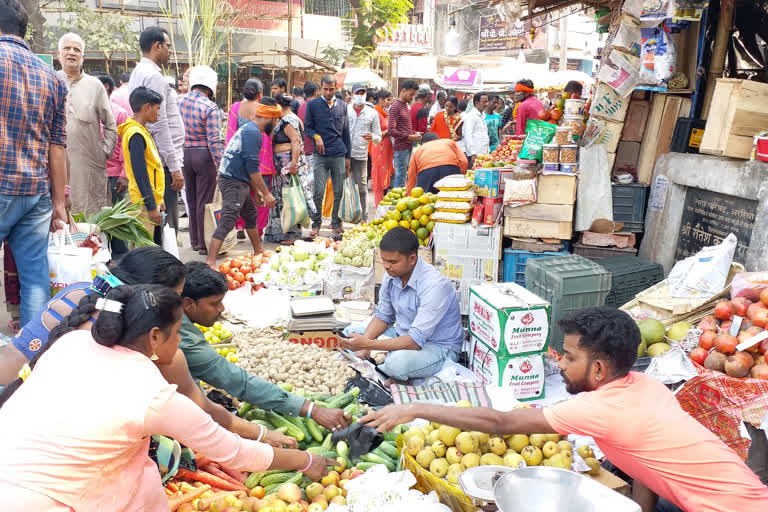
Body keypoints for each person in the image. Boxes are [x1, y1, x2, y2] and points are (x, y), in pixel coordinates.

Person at [360, 307, 768, 512]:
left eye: (567, 357)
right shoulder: (644, 386)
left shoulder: (600, 409)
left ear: (598, 368)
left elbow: (500, 422)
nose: (559, 363)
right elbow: (646, 466)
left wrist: (415, 408)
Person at [0, 284, 333, 509]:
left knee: (142, 471)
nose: (182, 339)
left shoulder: (71, 342)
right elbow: (233, 452)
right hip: (41, 499)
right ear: (156, 336)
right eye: (179, 331)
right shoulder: (154, 395)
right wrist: (307, 461)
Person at [0, 246, 316, 445]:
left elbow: (14, 359)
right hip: (56, 450)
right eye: (174, 299)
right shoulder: (147, 339)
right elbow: (203, 412)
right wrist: (265, 437)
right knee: (168, 455)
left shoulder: (79, 294)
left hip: (13, 412)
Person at [180, 262, 353, 431]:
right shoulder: (182, 337)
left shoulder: (179, 320)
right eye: (214, 303)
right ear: (188, 303)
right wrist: (312, 410)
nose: (222, 309)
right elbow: (237, 381)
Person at [0, 0, 68, 326]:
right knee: (35, 278)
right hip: (36, 193)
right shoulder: (52, 77)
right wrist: (59, 203)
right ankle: (31, 357)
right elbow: (58, 145)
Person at [341, 228, 462, 381]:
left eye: (392, 262)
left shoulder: (434, 285)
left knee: (396, 364)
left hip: (437, 347)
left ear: (411, 259)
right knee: (350, 333)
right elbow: (383, 317)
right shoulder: (392, 276)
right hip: (403, 334)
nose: (386, 266)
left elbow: (415, 341)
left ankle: (394, 368)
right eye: (383, 260)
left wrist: (370, 344)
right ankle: (391, 366)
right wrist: (365, 345)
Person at [128, 26, 185, 233]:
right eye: (168, 46)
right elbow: (160, 126)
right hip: (162, 163)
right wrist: (175, 167)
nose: (170, 51)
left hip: (157, 159)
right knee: (166, 225)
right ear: (157, 46)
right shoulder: (153, 76)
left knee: (159, 223)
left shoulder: (140, 71)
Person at [207, 101, 277, 265]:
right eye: (275, 120)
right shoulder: (253, 133)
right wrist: (266, 193)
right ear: (268, 118)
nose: (276, 124)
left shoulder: (250, 129)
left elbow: (247, 166)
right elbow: (252, 168)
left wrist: (257, 191)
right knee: (228, 220)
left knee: (251, 214)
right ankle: (210, 261)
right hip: (233, 180)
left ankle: (258, 250)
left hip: (238, 179)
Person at [57, 33, 117, 217]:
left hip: (89, 166)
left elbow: (111, 125)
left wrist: (103, 151)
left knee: (90, 219)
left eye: (77, 50)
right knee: (58, 220)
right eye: (67, 48)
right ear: (59, 54)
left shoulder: (95, 86)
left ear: (83, 57)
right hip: (56, 164)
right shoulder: (50, 80)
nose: (71, 53)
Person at [177, 65, 223, 255]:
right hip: (204, 156)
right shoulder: (210, 107)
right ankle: (204, 244)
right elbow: (214, 140)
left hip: (184, 154)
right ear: (210, 87)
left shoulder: (178, 101)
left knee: (192, 198)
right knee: (205, 201)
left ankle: (195, 241)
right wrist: (220, 165)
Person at [304, 75, 352, 238]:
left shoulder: (343, 106)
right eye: (325, 89)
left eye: (331, 89)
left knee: (338, 191)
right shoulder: (313, 105)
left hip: (339, 153)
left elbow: (346, 133)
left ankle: (335, 223)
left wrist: (348, 158)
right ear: (320, 88)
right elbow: (307, 128)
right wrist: (316, 137)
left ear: (335, 89)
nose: (328, 92)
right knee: (318, 191)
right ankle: (316, 224)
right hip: (320, 156)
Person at [265, 95, 316, 244]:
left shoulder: (289, 120)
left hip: (288, 167)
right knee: (283, 197)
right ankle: (280, 233)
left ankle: (291, 234)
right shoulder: (285, 119)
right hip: (282, 167)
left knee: (290, 197)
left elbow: (295, 141)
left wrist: (293, 164)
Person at [118, 86, 166, 245]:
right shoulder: (135, 134)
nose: (158, 113)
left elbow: (152, 167)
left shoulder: (141, 131)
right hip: (142, 203)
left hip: (149, 199)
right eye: (157, 109)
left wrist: (159, 199)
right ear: (147, 107)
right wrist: (152, 206)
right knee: (143, 248)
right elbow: (141, 175)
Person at [227, 78, 274, 239]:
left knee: (242, 196)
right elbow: (269, 136)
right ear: (260, 94)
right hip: (261, 161)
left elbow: (231, 135)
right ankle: (258, 231)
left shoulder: (235, 107)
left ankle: (240, 227)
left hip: (241, 161)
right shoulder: (264, 109)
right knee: (262, 196)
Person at [96, 73, 131, 258]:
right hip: (92, 175)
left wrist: (124, 174)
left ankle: (120, 259)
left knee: (116, 222)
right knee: (95, 220)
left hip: (114, 175)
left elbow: (127, 147)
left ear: (106, 88)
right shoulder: (86, 111)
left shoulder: (119, 113)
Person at [347, 83, 382, 222]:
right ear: (352, 94)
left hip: (361, 155)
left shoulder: (372, 113)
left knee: (362, 188)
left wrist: (372, 137)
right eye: (357, 93)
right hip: (344, 154)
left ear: (366, 95)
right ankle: (340, 218)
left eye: (362, 93)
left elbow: (378, 137)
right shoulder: (345, 110)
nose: (360, 96)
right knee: (341, 187)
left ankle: (364, 218)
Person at [389, 80, 421, 188]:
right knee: (400, 177)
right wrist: (408, 136)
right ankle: (398, 203)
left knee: (403, 176)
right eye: (411, 94)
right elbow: (391, 130)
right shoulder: (396, 107)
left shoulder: (405, 106)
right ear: (403, 91)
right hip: (401, 147)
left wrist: (413, 133)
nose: (412, 97)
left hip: (407, 146)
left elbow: (403, 127)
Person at [371, 89, 394, 206]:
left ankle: (383, 201)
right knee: (379, 175)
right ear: (381, 100)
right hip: (379, 148)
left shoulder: (383, 113)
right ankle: (379, 203)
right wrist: (388, 131)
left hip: (385, 149)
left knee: (385, 174)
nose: (390, 102)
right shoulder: (375, 113)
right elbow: (375, 133)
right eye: (388, 100)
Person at [462, 92, 490, 167]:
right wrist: (472, 154)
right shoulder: (471, 116)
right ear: (477, 103)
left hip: (483, 154)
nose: (487, 104)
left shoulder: (482, 116)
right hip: (475, 155)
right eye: (484, 102)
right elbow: (468, 136)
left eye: (487, 101)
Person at [298, 81, 319, 165]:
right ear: (316, 92)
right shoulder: (317, 106)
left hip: (305, 147)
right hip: (315, 148)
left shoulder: (301, 107)